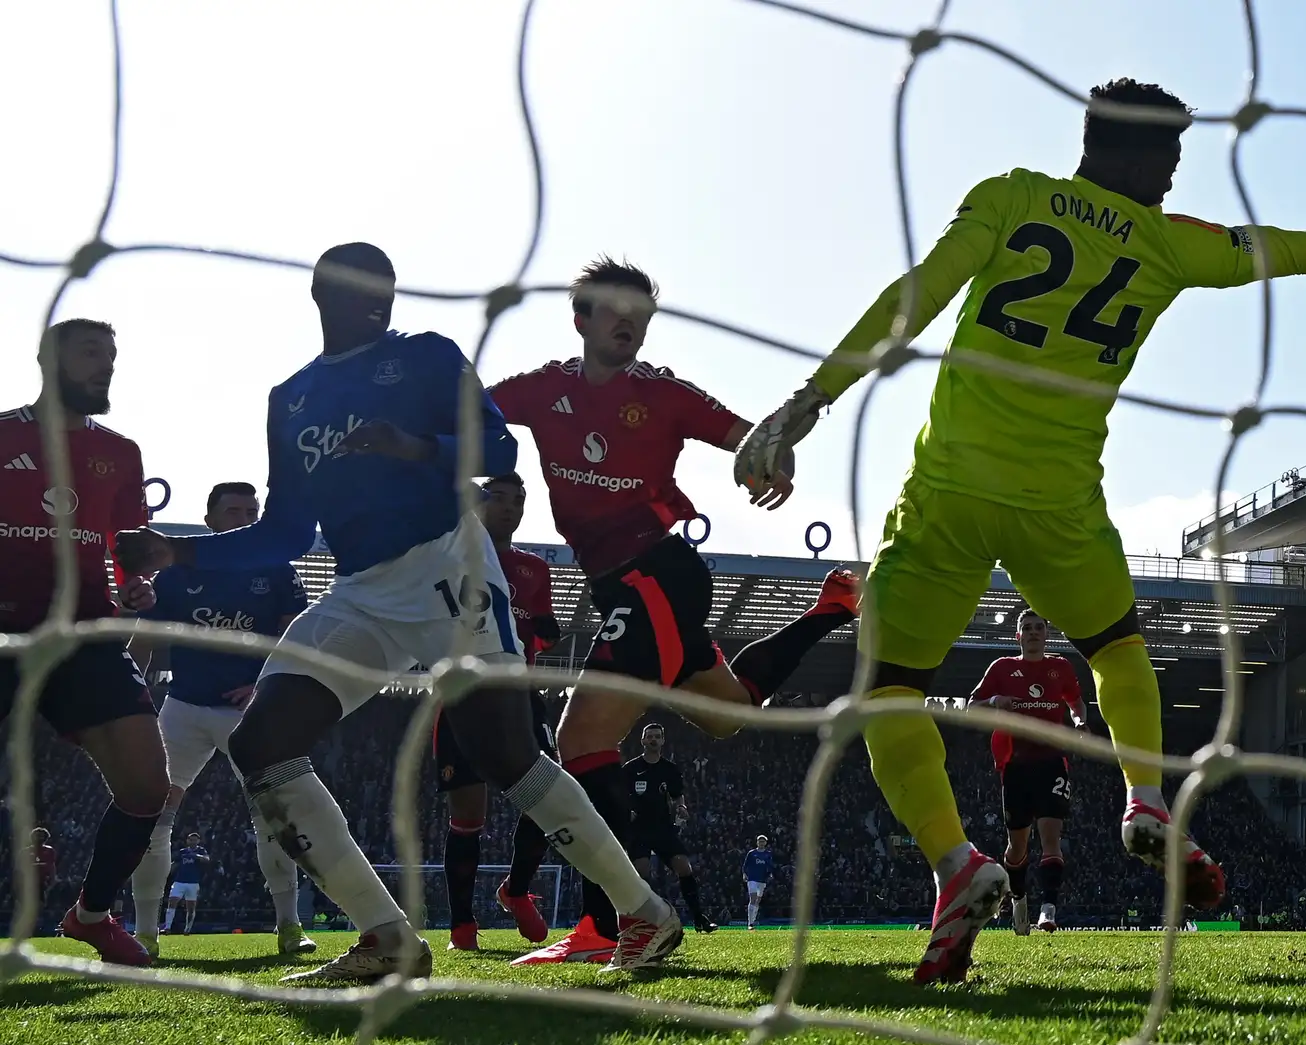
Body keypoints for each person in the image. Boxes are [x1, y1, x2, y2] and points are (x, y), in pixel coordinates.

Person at [733, 78, 1306, 982]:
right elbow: (1290, 252)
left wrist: (806, 404)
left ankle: (956, 867)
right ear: (1133, 155)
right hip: (1059, 502)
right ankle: (1146, 799)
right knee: (1115, 649)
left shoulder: (1011, 195)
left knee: (887, 694)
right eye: (1171, 159)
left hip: (948, 490)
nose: (1176, 178)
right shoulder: (1164, 244)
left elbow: (915, 297)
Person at [114, 243, 684, 982]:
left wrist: (415, 447)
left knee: (506, 755)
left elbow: (501, 446)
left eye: (385, 290)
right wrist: (177, 555)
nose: (375, 302)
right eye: (360, 289)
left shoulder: (426, 357)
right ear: (321, 293)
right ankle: (386, 936)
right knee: (262, 741)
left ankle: (644, 913)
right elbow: (286, 532)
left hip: (449, 562)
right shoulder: (290, 398)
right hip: (361, 592)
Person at [486, 257, 858, 962]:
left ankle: (612, 924)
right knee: (727, 712)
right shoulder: (544, 389)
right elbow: (470, 417)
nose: (628, 323)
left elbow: (753, 437)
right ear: (582, 320)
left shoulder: (664, 395)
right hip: (624, 587)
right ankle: (832, 608)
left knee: (580, 742)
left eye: (641, 315)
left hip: (655, 575)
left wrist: (774, 455)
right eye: (614, 311)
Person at [0, 318, 165, 967]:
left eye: (112, 355)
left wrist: (136, 585)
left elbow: (129, 549)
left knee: (148, 787)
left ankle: (91, 916)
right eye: (90, 352)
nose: (105, 365)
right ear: (48, 360)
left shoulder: (121, 453)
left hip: (84, 636)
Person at [128, 480, 314, 959]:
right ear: (209, 521)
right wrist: (127, 691)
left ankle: (290, 927)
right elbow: (145, 637)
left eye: (252, 511)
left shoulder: (277, 570)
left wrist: (263, 685)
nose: (244, 519)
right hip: (184, 708)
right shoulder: (172, 575)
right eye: (233, 510)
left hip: (249, 713)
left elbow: (299, 640)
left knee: (272, 817)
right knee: (153, 814)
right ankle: (146, 932)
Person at [432, 472, 563, 952]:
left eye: (518, 500)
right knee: (468, 815)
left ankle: (516, 888)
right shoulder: (450, 557)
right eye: (499, 498)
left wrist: (525, 633)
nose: (509, 507)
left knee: (549, 792)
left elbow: (546, 628)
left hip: (519, 692)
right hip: (463, 693)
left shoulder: (534, 569)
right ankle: (462, 927)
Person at [969, 609, 1084, 935]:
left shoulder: (1060, 667)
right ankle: (1018, 897)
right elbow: (970, 706)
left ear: (1046, 635)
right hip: (1015, 764)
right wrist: (994, 701)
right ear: (1018, 636)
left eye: (1039, 628)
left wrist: (1078, 721)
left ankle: (1048, 910)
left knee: (1051, 837)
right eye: (1027, 628)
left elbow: (1077, 701)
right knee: (1017, 845)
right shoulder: (1003, 668)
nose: (1034, 632)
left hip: (1052, 761)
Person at [622, 722, 717, 933]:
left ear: (663, 741)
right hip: (638, 829)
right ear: (643, 740)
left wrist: (681, 807)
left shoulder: (669, 769)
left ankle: (699, 918)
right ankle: (642, 922)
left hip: (663, 827)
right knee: (642, 873)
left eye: (657, 736)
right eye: (650, 736)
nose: (653, 739)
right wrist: (626, 810)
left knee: (684, 867)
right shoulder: (630, 768)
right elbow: (619, 795)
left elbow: (677, 795)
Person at [158, 830, 211, 934]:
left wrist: (196, 856)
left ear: (198, 841)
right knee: (172, 902)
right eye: (191, 840)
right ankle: (167, 927)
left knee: (190, 908)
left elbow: (207, 859)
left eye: (195, 840)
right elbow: (175, 863)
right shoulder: (182, 852)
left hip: (193, 883)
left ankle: (187, 929)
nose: (193, 842)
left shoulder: (201, 850)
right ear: (187, 841)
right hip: (179, 881)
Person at [742, 835, 775, 930]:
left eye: (763, 841)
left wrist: (770, 874)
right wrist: (744, 874)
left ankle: (753, 920)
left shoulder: (768, 854)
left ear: (766, 843)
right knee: (753, 898)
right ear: (757, 842)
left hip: (762, 880)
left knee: (757, 901)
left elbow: (770, 866)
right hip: (752, 879)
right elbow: (745, 865)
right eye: (760, 841)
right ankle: (750, 923)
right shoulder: (752, 853)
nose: (761, 843)